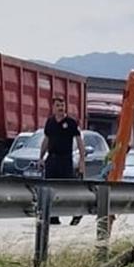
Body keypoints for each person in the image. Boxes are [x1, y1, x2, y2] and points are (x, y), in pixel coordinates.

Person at [39, 96, 86, 224]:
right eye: (58, 106)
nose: (61, 108)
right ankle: (53, 215)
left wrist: (82, 161)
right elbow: (46, 140)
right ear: (53, 107)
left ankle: (76, 213)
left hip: (65, 159)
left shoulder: (70, 123)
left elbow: (79, 142)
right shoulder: (50, 122)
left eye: (63, 106)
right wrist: (41, 157)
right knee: (50, 188)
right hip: (52, 159)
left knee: (68, 188)